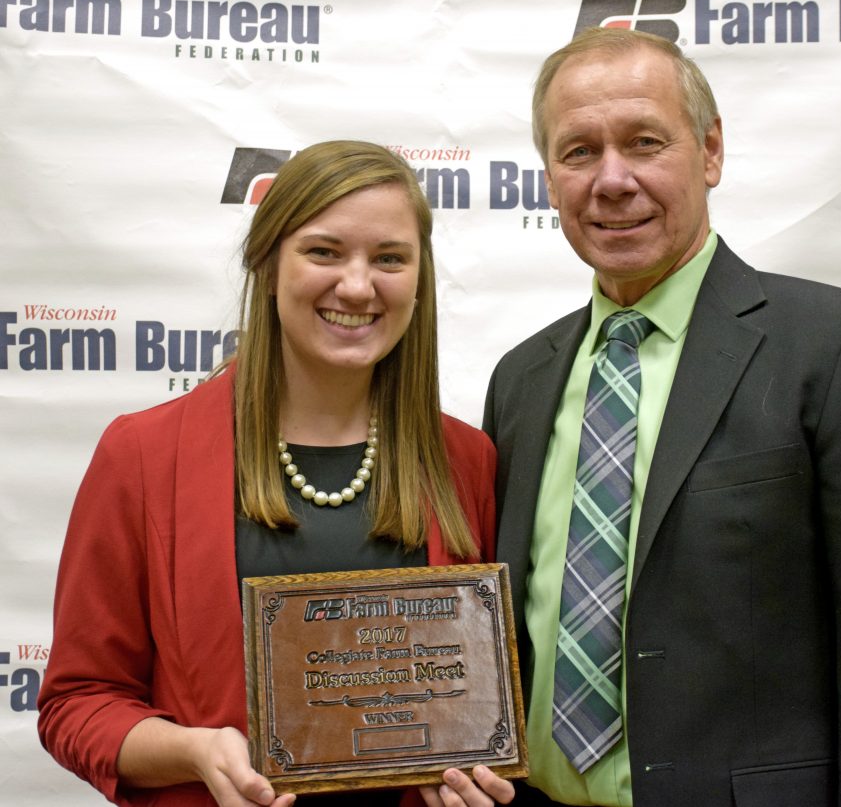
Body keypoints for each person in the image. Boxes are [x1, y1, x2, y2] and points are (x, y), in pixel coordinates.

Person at [483, 28, 841, 806]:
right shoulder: (521, 379)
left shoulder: (840, 349)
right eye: (578, 152)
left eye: (645, 142)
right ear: (548, 177)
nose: (612, 180)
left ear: (709, 152)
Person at [38, 141, 515, 807]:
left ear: (418, 279)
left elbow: (483, 700)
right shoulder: (143, 454)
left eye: (389, 258)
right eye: (324, 251)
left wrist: (473, 772)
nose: (356, 284)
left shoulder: (466, 459)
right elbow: (77, 702)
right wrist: (195, 749)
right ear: (267, 264)